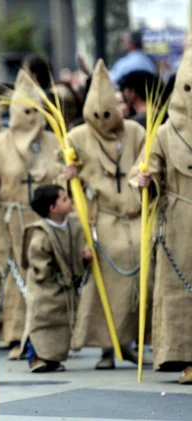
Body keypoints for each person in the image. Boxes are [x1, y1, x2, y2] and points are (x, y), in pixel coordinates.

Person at [64, 59, 147, 369]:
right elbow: (65, 185)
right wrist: (69, 173)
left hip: (136, 216)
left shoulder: (136, 131)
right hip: (102, 219)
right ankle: (106, 347)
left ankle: (135, 340)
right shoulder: (77, 138)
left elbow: (145, 164)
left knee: (144, 266)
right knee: (105, 277)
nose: (102, 119)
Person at [0, 70, 59, 359]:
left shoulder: (53, 141)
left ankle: (48, 338)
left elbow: (62, 178)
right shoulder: (0, 143)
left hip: (44, 221)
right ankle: (15, 336)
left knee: (45, 278)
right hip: (9, 220)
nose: (30, 116)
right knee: (12, 276)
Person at [131, 46, 192, 384]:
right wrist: (145, 180)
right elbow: (147, 169)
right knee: (179, 293)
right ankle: (183, 355)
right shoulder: (165, 133)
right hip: (179, 224)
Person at [21, 185, 91, 372]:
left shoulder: (73, 225)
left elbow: (77, 246)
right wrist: (51, 276)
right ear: (53, 208)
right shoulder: (40, 233)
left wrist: (83, 257)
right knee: (40, 321)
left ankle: (52, 359)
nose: (69, 202)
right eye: (64, 199)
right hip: (45, 286)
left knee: (60, 325)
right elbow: (38, 261)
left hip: (64, 287)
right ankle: (34, 356)